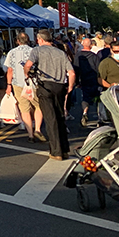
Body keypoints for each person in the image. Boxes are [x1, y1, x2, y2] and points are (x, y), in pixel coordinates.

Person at [24, 29, 75, 160]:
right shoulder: (60, 52)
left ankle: (56, 151)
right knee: (60, 116)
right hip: (59, 86)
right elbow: (72, 72)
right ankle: (65, 149)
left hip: (44, 85)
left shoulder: (36, 50)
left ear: (40, 39)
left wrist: (27, 74)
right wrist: (69, 86)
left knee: (50, 118)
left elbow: (28, 65)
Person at [5, 32, 45, 142]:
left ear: (17, 41)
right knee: (38, 106)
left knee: (24, 109)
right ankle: (37, 128)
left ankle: (30, 134)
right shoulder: (35, 51)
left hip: (18, 83)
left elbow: (10, 70)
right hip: (34, 83)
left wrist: (8, 85)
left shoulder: (12, 53)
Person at [74, 37, 101, 127]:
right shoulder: (94, 56)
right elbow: (98, 69)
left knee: (85, 98)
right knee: (97, 98)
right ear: (91, 45)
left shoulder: (78, 55)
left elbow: (76, 68)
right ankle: (100, 116)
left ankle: (85, 113)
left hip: (83, 79)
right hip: (93, 79)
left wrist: (77, 81)